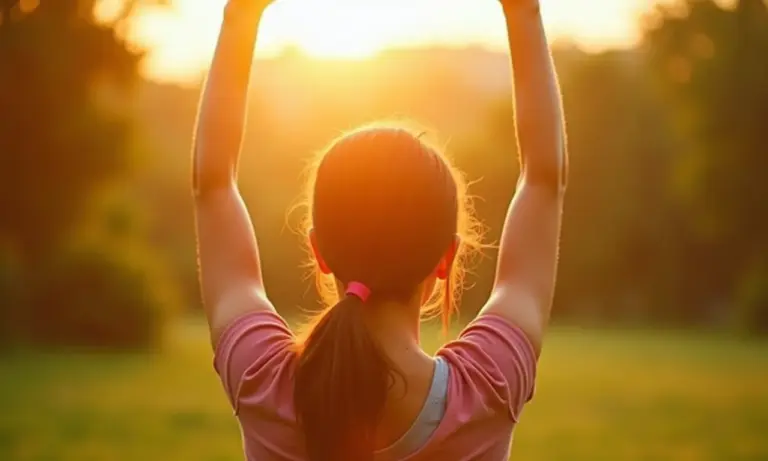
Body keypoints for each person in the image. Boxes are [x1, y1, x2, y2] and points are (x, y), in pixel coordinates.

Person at [192, 0, 567, 459]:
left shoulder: (261, 379)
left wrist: (241, 17)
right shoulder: (488, 387)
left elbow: (213, 185)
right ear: (446, 258)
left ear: (318, 251)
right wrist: (523, 13)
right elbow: (543, 180)